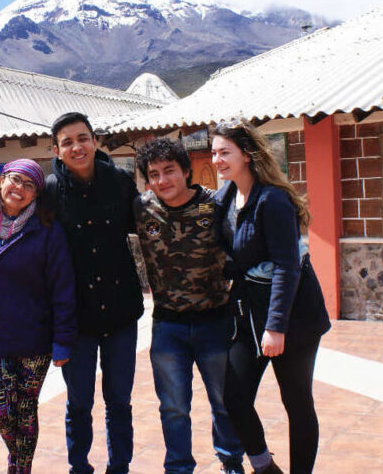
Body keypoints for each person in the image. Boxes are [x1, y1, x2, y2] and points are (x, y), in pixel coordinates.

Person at [211, 122, 331, 474]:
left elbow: (287, 266)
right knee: (233, 397)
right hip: (250, 315)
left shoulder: (272, 200)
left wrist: (276, 328)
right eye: (214, 152)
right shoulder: (225, 199)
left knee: (296, 402)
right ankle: (265, 468)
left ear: (247, 155)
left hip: (294, 316)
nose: (217, 159)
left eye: (225, 152)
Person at [133, 138, 245, 474]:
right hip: (168, 326)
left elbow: (242, 246)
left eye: (169, 171)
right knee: (173, 407)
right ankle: (179, 467)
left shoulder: (214, 205)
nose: (162, 180)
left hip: (215, 321)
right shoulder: (142, 209)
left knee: (224, 401)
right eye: (154, 174)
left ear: (186, 171)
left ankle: (230, 460)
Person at [44, 112, 143, 474]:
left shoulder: (118, 181)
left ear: (95, 141)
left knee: (119, 401)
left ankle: (120, 466)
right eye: (67, 141)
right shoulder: (51, 191)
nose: (77, 146)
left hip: (120, 312)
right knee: (79, 402)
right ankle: (79, 466)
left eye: (82, 138)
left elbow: (147, 225)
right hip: (76, 319)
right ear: (56, 149)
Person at [0, 159, 78, 474]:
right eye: (15, 180)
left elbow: (63, 287)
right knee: (1, 410)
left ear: (36, 195)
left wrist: (63, 340)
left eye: (29, 185)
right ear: (2, 181)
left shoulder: (46, 230)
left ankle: (20, 467)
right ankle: (15, 459)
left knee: (25, 410)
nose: (19, 189)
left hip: (34, 338)